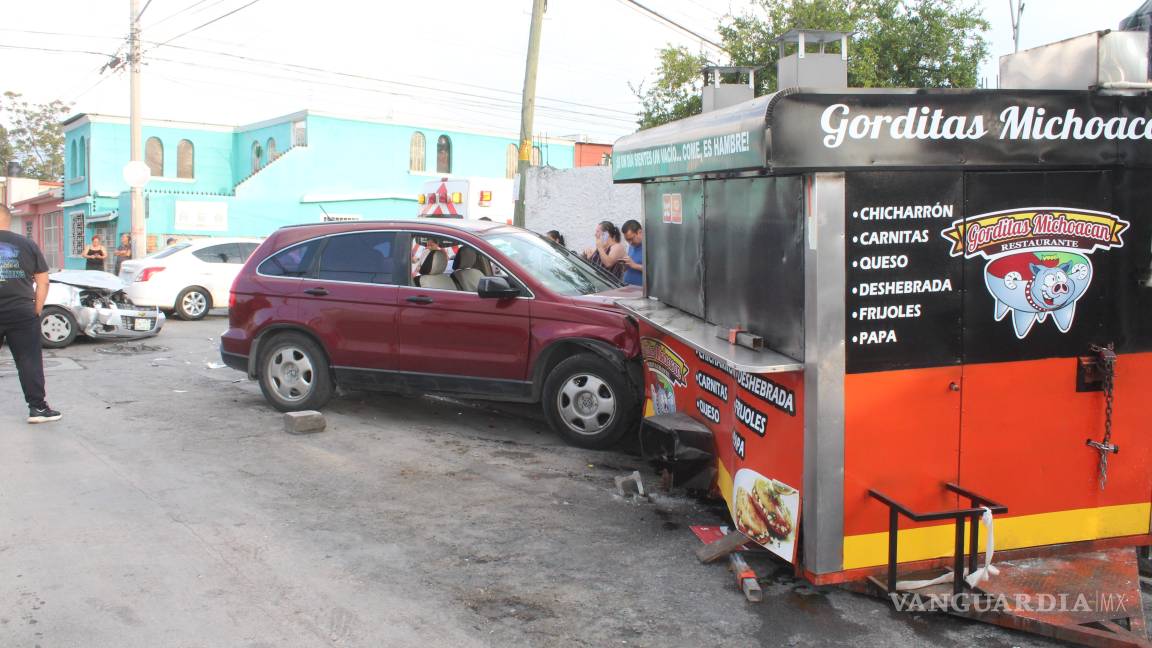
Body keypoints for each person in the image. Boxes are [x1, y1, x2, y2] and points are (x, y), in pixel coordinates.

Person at [0, 205, 62, 423]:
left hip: (19, 311)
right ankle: (37, 409)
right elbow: (43, 281)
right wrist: (36, 309)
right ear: (8, 219)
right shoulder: (27, 244)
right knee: (29, 362)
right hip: (22, 312)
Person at [621, 220, 644, 287]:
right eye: (627, 240)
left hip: (640, 291)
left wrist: (634, 265)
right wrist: (625, 266)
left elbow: (655, 271)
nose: (630, 243)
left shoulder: (650, 246)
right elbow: (632, 264)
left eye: (631, 239)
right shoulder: (632, 246)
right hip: (628, 287)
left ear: (640, 232)